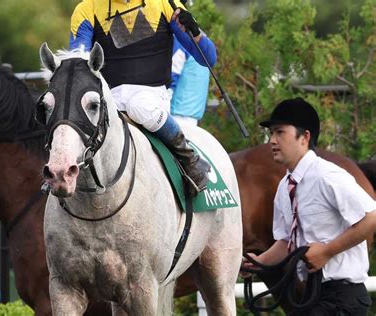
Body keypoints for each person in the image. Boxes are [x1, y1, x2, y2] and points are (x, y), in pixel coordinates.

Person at [69, 0, 217, 196]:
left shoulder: (165, 4)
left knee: (138, 105)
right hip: (107, 101)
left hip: (151, 98)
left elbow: (208, 58)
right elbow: (79, 62)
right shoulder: (86, 9)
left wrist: (196, 33)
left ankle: (189, 158)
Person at [243, 97, 376, 315]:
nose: (272, 141)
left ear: (304, 137)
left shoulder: (328, 175)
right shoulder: (285, 186)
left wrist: (327, 251)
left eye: (279, 132)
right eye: (271, 133)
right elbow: (286, 241)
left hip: (343, 299)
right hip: (312, 297)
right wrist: (259, 262)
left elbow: (371, 217)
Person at [170, 36, 209, 127]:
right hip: (193, 117)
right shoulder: (202, 38)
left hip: (175, 115)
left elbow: (171, 77)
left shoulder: (180, 39)